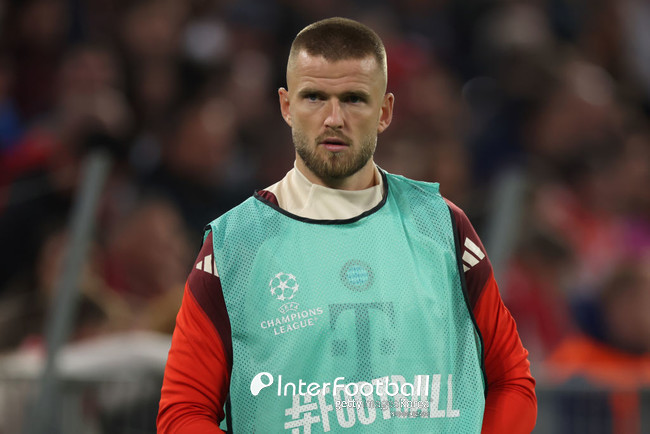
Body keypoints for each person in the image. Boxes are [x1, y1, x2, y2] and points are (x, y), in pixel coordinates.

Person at [157, 17, 536, 433]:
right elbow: (183, 413)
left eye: (354, 99)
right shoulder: (237, 245)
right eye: (314, 97)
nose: (333, 118)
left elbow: (511, 379)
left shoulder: (442, 226)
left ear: (384, 111)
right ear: (287, 106)